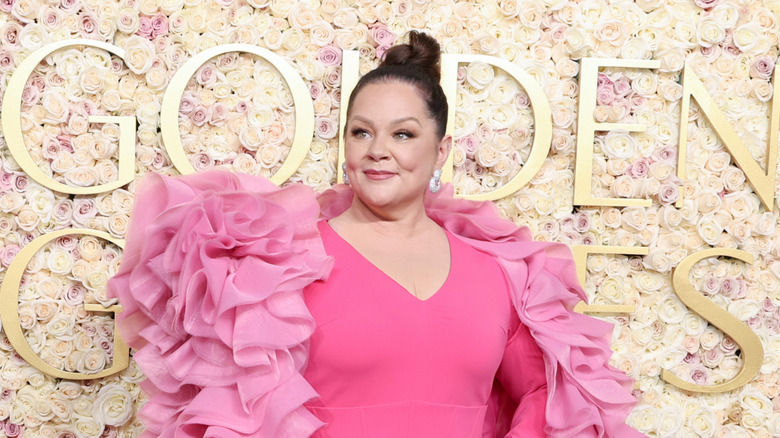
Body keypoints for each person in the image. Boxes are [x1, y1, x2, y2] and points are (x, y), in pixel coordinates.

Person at [108, 32, 643, 437]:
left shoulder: (501, 274)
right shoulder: (284, 264)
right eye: (361, 132)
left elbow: (545, 393)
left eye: (403, 134)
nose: (377, 150)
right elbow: (241, 413)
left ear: (442, 150)